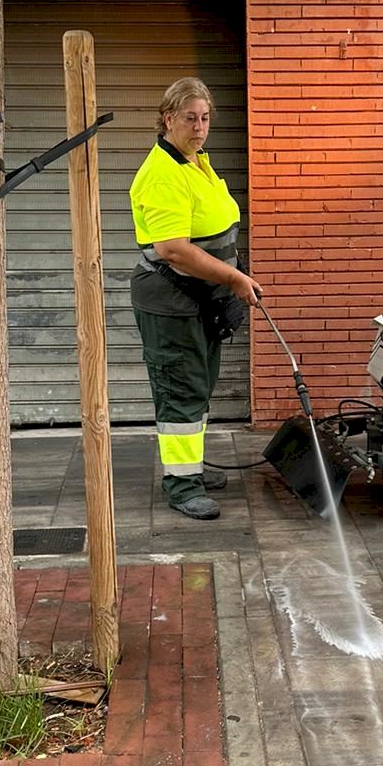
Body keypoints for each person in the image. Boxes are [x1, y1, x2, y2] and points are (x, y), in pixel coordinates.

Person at [129, 78, 261, 520]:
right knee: (180, 391)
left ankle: (193, 468)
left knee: (199, 386)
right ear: (169, 118)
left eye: (205, 118)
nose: (200, 127)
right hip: (171, 302)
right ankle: (182, 485)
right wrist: (234, 277)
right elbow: (173, 249)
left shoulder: (195, 161)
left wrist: (229, 278)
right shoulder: (162, 174)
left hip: (201, 299)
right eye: (190, 118)